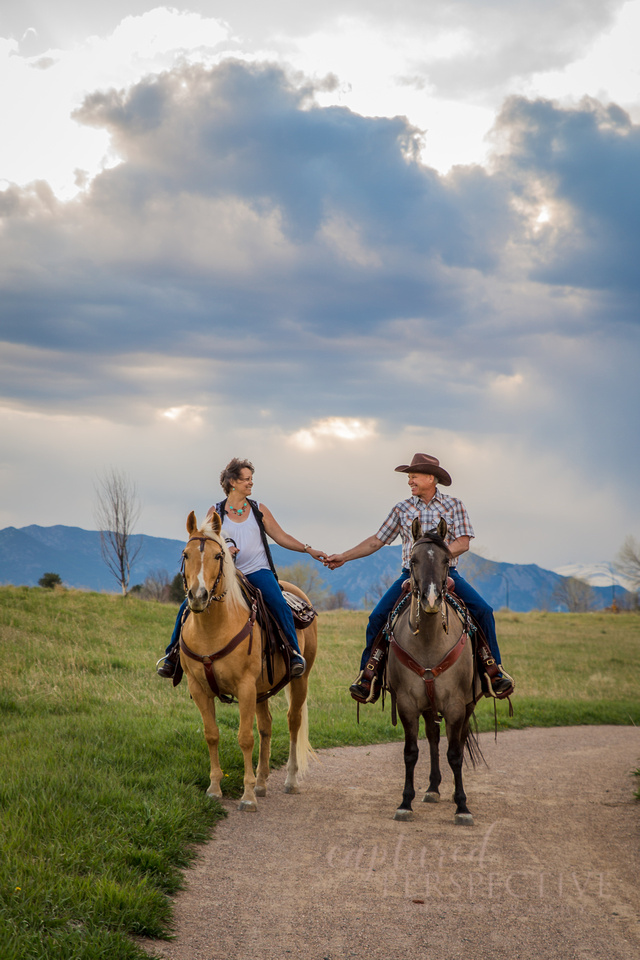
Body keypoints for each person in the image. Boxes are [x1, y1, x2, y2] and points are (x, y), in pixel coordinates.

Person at [324, 452, 514, 700]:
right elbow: (377, 541)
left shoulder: (454, 505)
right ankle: (369, 676)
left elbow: (464, 542)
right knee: (377, 617)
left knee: (484, 611)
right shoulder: (401, 508)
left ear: (431, 478)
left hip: (447, 574)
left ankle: (493, 671)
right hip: (410, 576)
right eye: (409, 477)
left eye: (413, 476)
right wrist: (344, 556)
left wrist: (435, 557)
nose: (409, 481)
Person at [157, 457, 327, 680]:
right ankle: (172, 656)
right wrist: (226, 549)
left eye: (251, 479)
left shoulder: (258, 509)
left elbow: (281, 536)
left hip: (258, 571)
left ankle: (293, 653)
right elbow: (209, 544)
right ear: (232, 482)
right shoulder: (215, 511)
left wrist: (308, 549)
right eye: (246, 479)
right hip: (228, 575)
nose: (251, 483)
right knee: (186, 607)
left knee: (279, 603)